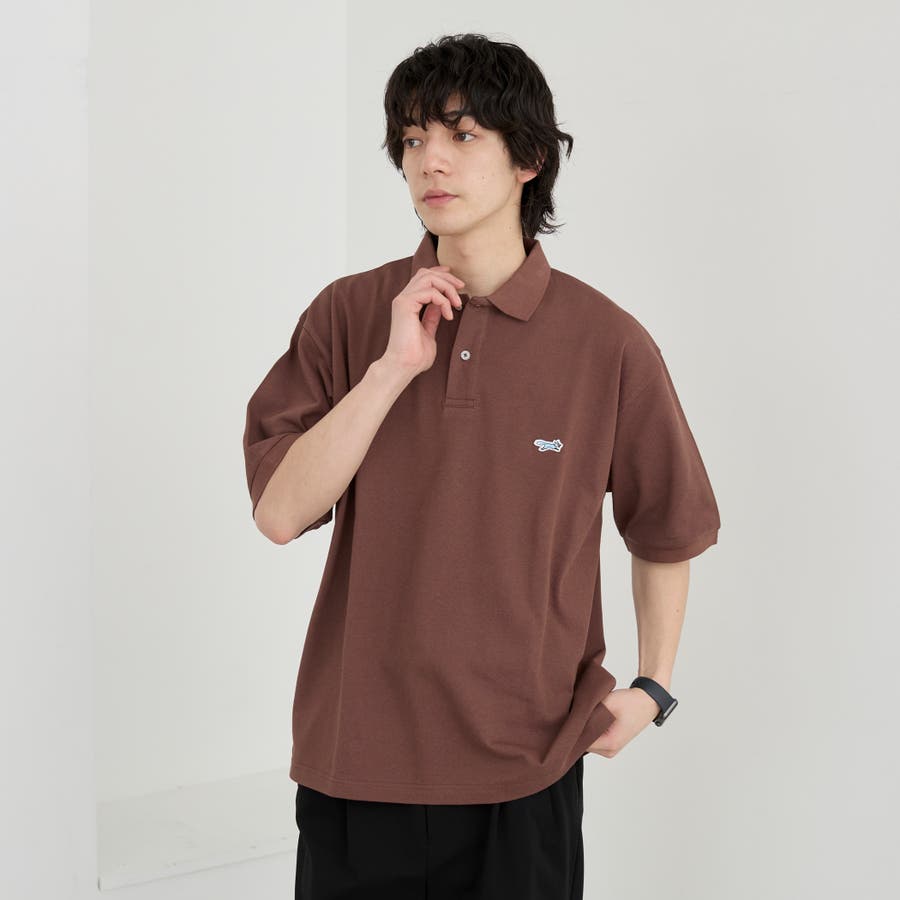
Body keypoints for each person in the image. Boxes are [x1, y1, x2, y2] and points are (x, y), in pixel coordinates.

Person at [243, 32, 721, 900]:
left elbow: (666, 528)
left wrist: (654, 685)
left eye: (462, 135)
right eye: (413, 138)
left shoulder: (607, 342)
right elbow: (279, 514)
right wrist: (390, 370)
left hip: (524, 774)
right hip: (356, 763)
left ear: (529, 158)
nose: (430, 160)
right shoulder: (349, 314)